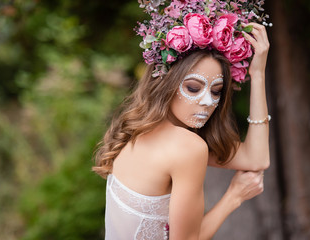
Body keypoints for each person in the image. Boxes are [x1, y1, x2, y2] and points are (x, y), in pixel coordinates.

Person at [93, 1, 271, 239]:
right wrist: (234, 196)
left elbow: (256, 158)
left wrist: (257, 74)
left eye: (216, 91)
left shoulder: (133, 131)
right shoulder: (188, 148)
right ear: (167, 83)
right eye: (193, 88)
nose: (208, 101)